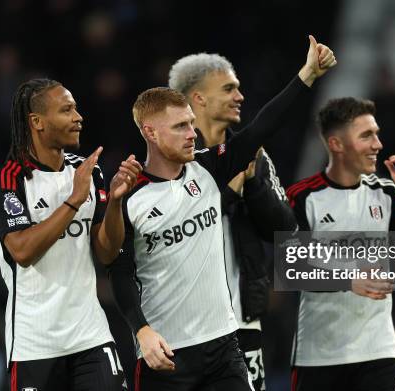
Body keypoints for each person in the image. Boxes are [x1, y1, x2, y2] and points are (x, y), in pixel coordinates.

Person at [109, 36, 336, 390]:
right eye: (181, 127)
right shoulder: (130, 196)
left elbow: (263, 126)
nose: (191, 134)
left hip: (224, 346)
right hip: (167, 353)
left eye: (190, 124)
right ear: (150, 133)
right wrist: (141, 331)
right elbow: (120, 274)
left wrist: (307, 74)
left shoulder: (210, 168)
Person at [0, 78, 142, 390]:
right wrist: (73, 200)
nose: (78, 117)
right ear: (37, 122)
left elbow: (107, 252)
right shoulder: (8, 180)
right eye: (66, 110)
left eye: (76, 109)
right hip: (35, 345)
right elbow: (22, 251)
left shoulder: (88, 171)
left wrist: (115, 202)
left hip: (90, 335)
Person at [287, 97, 395, 391]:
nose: (378, 144)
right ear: (337, 144)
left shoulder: (386, 194)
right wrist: (349, 279)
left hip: (377, 349)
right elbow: (292, 266)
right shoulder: (302, 197)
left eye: (377, 134)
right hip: (319, 354)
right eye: (366, 135)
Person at [167, 52, 297, 390]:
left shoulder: (253, 154)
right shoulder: (167, 163)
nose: (239, 96)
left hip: (241, 320)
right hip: (179, 326)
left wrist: (252, 184)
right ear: (199, 98)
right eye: (228, 89)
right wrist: (226, 194)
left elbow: (285, 228)